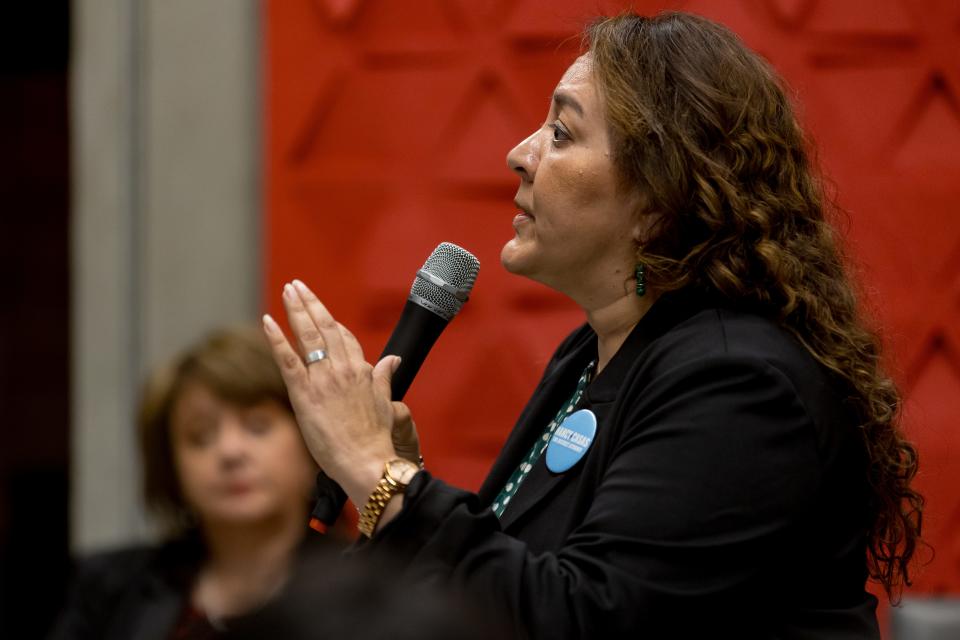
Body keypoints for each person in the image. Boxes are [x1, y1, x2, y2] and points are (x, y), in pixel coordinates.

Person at [261, 12, 923, 638]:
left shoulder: (738, 383)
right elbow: (510, 591)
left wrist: (383, 478)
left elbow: (584, 618)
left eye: (561, 133)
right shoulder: (593, 353)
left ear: (657, 203)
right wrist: (397, 489)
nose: (518, 154)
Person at [52, 327, 333, 639]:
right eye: (201, 437)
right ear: (170, 466)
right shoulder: (110, 590)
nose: (230, 452)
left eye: (257, 427)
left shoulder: (366, 587)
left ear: (310, 443)